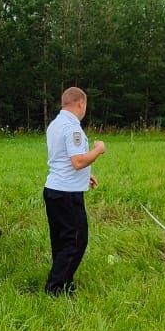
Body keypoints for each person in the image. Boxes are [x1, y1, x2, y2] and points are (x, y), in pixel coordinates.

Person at [43, 86, 106, 295]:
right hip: (67, 194)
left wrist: (86, 175)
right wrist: (98, 149)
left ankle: (65, 284)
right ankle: (55, 287)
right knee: (77, 241)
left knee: (61, 240)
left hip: (54, 189)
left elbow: (62, 159)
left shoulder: (55, 124)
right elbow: (78, 161)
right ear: (81, 103)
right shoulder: (72, 128)